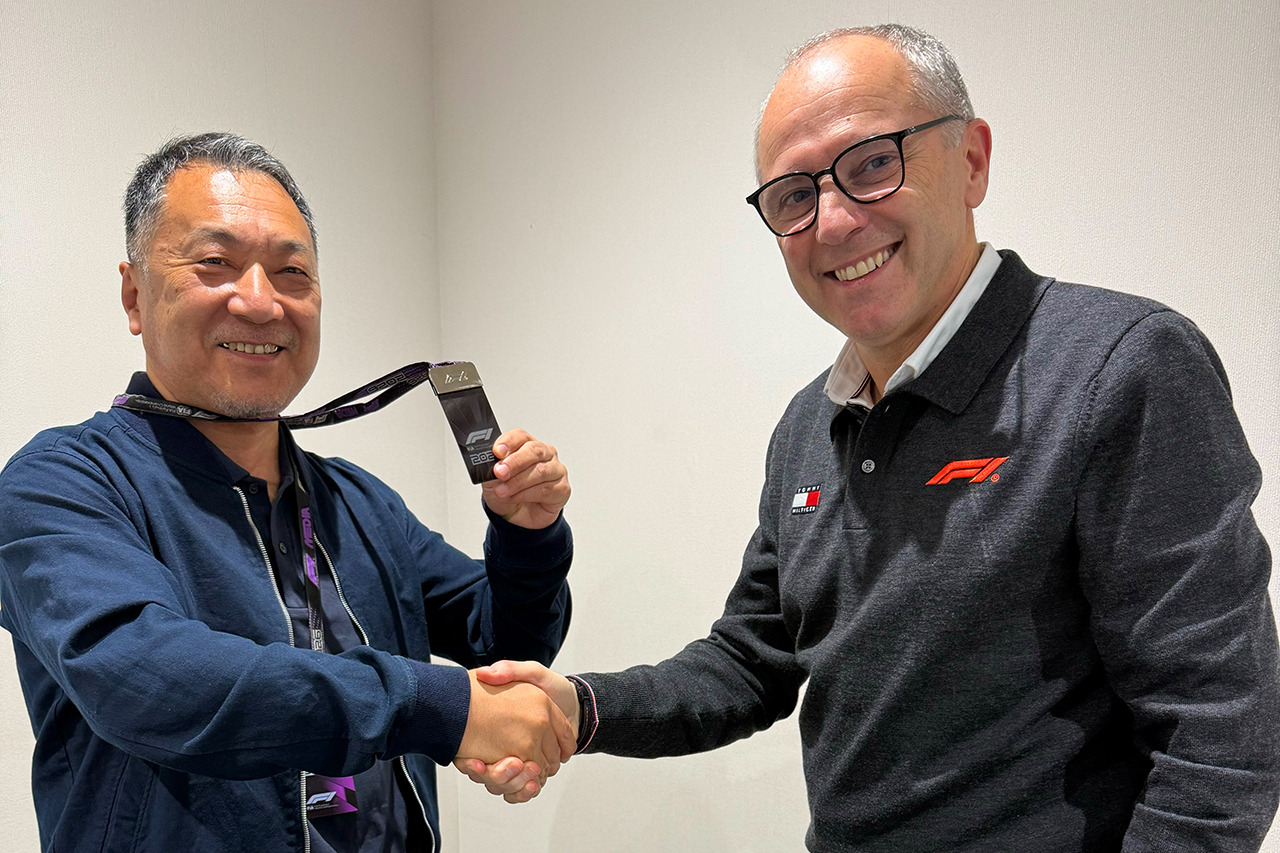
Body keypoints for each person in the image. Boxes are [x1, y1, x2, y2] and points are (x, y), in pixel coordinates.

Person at [456, 23, 1280, 852]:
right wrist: (580, 707)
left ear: (971, 161)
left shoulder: (1122, 367)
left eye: (873, 163)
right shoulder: (807, 426)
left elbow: (1220, 739)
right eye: (793, 196)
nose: (834, 220)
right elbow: (751, 660)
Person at [0, 132, 577, 853]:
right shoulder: (62, 483)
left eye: (291, 272)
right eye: (215, 263)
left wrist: (527, 534)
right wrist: (438, 707)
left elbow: (508, 647)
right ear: (134, 294)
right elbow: (149, 680)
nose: (259, 301)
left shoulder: (359, 502)